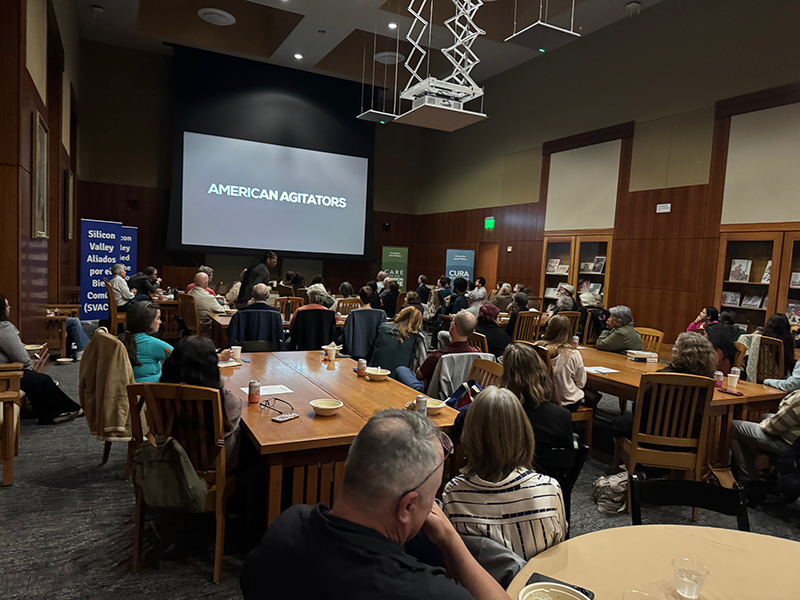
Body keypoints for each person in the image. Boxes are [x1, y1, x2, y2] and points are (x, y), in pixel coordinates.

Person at [241, 409, 509, 600]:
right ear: (407, 507)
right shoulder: (428, 591)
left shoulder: (286, 526)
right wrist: (450, 539)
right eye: (432, 497)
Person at [443, 387, 566, 560]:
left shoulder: (453, 494)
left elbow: (451, 557)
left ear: (470, 435)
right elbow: (559, 550)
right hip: (533, 585)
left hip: (476, 586)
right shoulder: (550, 489)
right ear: (523, 432)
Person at [160, 336, 244, 473]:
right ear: (211, 368)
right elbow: (235, 410)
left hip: (169, 459)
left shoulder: (160, 394)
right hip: (210, 465)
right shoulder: (223, 399)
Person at [612, 332, 717, 439]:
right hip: (689, 436)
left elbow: (639, 407)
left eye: (675, 346)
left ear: (680, 352)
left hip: (650, 434)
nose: (672, 349)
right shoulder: (708, 382)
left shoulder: (661, 378)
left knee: (618, 421)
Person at [0, 293, 83, 424]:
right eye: (7, 305)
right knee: (41, 380)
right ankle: (61, 412)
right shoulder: (3, 328)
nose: (9, 308)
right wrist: (29, 368)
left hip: (5, 371)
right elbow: (22, 359)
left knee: (38, 380)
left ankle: (56, 409)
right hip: (6, 375)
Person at [500, 343, 573, 451]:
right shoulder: (562, 416)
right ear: (541, 371)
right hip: (546, 466)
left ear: (505, 374)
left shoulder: (493, 412)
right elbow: (568, 459)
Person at [730, 390, 800, 491]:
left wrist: (765, 423)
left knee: (734, 427)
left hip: (791, 447)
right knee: (765, 416)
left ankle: (749, 481)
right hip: (796, 442)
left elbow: (772, 428)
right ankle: (768, 475)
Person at [397, 311, 480, 393]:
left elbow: (418, 375)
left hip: (433, 397)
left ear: (452, 326)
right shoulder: (479, 355)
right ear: (473, 331)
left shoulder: (437, 357)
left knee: (401, 370)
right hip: (464, 397)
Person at [537, 315, 587, 412]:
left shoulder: (537, 348)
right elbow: (581, 383)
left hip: (541, 398)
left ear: (548, 329)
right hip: (567, 402)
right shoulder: (572, 353)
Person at [118, 301, 172, 383]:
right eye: (157, 318)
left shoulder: (120, 339)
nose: (160, 322)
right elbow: (180, 359)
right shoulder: (153, 344)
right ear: (148, 322)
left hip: (127, 389)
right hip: (150, 391)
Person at [370, 306, 426, 376]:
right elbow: (423, 365)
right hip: (400, 378)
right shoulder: (417, 336)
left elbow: (371, 351)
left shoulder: (382, 328)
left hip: (374, 373)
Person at [761, 313, 796, 379]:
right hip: (780, 376)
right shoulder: (788, 340)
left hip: (760, 373)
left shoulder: (761, 338)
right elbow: (789, 360)